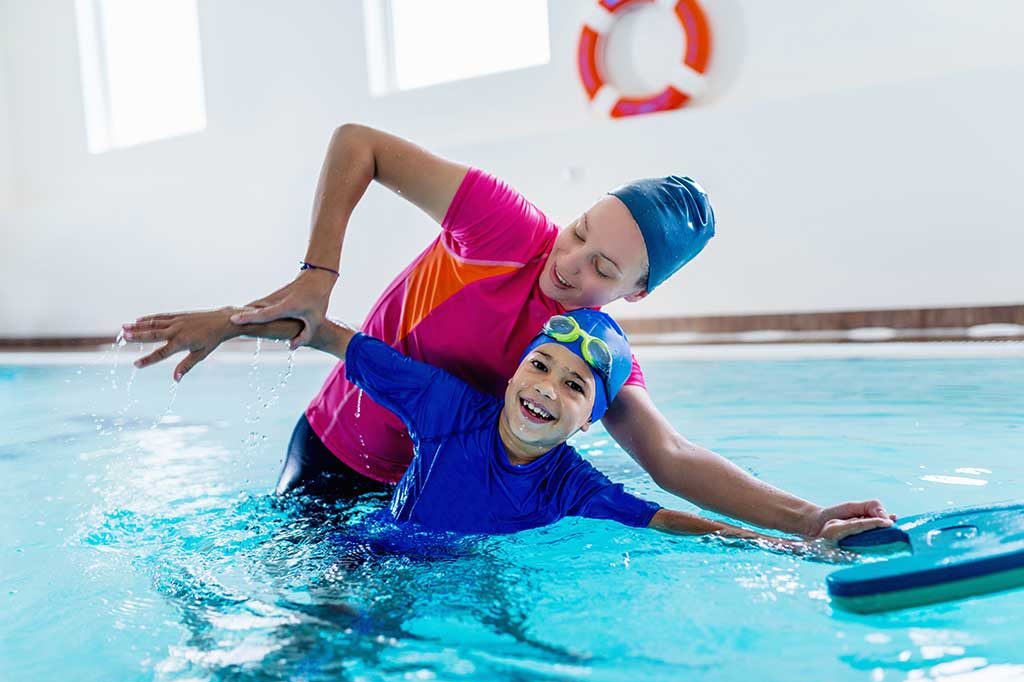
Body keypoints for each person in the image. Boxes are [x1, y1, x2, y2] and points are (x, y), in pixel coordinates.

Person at [123, 123, 896, 540]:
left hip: (419, 498)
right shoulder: (501, 225)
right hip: (331, 454)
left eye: (603, 268)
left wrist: (807, 518)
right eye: (579, 230)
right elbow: (357, 142)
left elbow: (671, 457)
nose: (569, 264)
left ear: (636, 292)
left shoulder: (593, 356)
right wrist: (311, 278)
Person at [128, 304, 873, 557]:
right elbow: (332, 337)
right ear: (513, 374)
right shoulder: (450, 408)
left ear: (588, 422)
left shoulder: (572, 484)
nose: (548, 388)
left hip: (459, 571)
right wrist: (225, 325)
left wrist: (795, 541)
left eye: (575, 386)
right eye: (540, 368)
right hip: (368, 552)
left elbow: (676, 523)